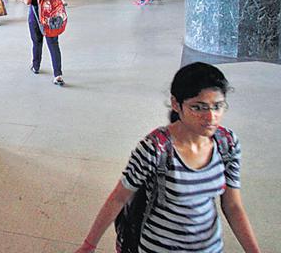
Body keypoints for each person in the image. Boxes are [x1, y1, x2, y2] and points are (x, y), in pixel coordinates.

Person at [75, 62, 261, 253]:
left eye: (218, 106)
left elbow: (232, 205)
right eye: (198, 107)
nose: (211, 116)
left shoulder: (227, 143)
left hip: (210, 248)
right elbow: (119, 198)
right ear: (176, 104)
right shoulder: (156, 148)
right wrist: (89, 245)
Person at [24, 0, 64, 86]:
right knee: (54, 44)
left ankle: (36, 66)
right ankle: (58, 74)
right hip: (52, 17)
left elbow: (28, 1)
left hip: (36, 15)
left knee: (37, 42)